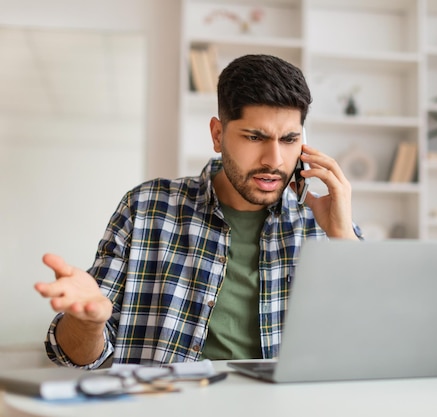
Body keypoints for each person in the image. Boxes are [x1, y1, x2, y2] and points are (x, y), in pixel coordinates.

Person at [34, 54, 362, 369]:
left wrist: (343, 238)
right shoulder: (146, 208)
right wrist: (87, 323)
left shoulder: (323, 223)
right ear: (218, 135)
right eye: (254, 137)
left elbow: (368, 344)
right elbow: (75, 355)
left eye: (289, 139)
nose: (274, 160)